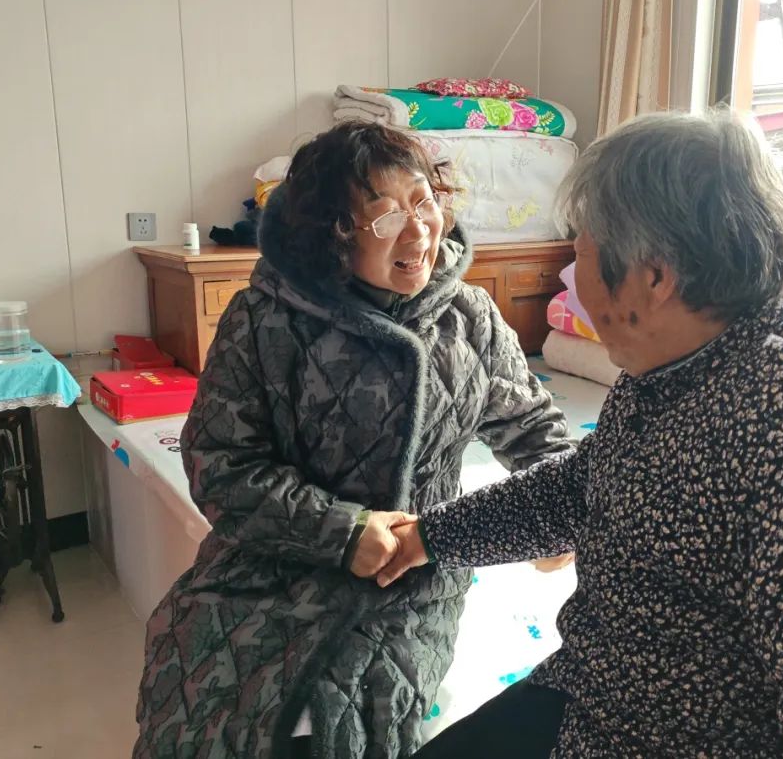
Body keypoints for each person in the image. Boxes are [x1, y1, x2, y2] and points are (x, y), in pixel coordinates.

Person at [375, 110, 783, 757]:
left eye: (579, 257)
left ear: (654, 277)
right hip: (604, 696)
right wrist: (430, 537)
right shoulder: (681, 357)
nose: (571, 284)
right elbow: (587, 485)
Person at [132, 121, 572, 759]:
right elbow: (220, 466)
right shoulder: (263, 318)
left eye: (424, 203)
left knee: (344, 721)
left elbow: (535, 432)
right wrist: (341, 531)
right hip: (273, 558)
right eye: (386, 217)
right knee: (201, 692)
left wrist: (557, 517)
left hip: (411, 572)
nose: (418, 232)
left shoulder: (468, 317)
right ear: (333, 236)